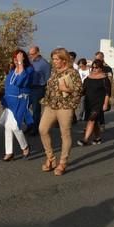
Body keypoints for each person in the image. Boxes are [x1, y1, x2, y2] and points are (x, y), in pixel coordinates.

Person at [39, 48, 83, 176]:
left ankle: (63, 162)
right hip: (51, 105)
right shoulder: (54, 71)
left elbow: (79, 90)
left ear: (64, 60)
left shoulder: (72, 72)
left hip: (65, 106)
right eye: (53, 59)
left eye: (56, 59)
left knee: (65, 134)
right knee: (42, 129)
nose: (54, 61)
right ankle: (51, 159)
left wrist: (67, 89)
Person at [0, 49, 34, 161]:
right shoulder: (12, 71)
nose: (16, 61)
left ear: (23, 58)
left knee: (15, 126)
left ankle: (25, 146)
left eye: (18, 58)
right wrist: (4, 101)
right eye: (15, 59)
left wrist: (20, 64)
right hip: (10, 101)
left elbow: (20, 81)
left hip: (21, 101)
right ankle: (9, 152)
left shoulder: (29, 70)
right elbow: (8, 87)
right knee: (7, 126)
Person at [77, 59, 111, 146]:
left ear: (101, 68)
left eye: (97, 68)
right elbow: (83, 90)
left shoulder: (104, 79)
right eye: (93, 67)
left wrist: (105, 104)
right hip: (89, 102)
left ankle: (85, 139)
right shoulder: (88, 78)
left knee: (91, 119)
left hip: (99, 103)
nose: (94, 69)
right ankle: (97, 138)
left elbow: (107, 93)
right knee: (94, 121)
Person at [28, 45, 50, 134]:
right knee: (25, 107)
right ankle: (30, 125)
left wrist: (46, 92)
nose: (31, 56)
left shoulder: (44, 64)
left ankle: (35, 128)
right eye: (29, 54)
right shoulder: (30, 62)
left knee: (36, 109)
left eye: (32, 54)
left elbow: (48, 78)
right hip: (29, 87)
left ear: (38, 53)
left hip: (39, 88)